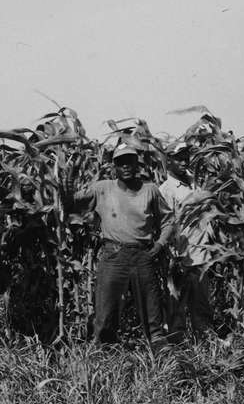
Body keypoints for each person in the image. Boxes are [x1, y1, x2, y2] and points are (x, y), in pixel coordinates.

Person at [67, 142, 174, 343]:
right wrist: (70, 175)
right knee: (106, 311)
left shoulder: (150, 190)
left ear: (137, 164)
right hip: (113, 256)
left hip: (143, 256)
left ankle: (159, 350)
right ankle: (104, 352)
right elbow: (71, 202)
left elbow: (168, 220)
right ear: (114, 166)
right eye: (121, 162)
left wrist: (159, 244)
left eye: (130, 161)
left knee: (152, 312)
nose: (125, 166)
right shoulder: (102, 188)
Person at [159, 141, 215, 338]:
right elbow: (166, 224)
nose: (184, 162)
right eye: (179, 159)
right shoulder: (167, 189)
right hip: (181, 257)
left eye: (186, 158)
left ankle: (205, 342)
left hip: (201, 255)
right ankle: (178, 343)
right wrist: (173, 255)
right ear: (168, 161)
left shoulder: (195, 183)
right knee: (177, 305)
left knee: (201, 304)